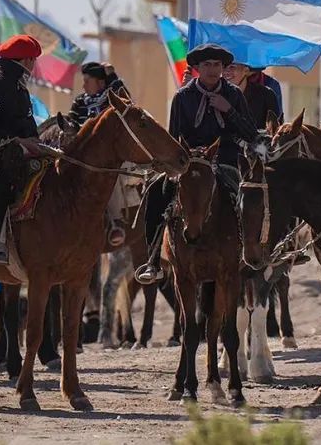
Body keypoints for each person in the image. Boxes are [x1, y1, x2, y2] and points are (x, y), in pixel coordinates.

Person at [135, 43, 258, 284]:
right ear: (197, 69)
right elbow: (174, 136)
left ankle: (249, 251)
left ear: (223, 68)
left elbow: (251, 136)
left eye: (217, 65)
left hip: (225, 162)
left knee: (246, 197)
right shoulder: (182, 98)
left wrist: (229, 110)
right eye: (207, 65)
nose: (213, 69)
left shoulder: (233, 95)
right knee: (155, 193)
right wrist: (187, 157)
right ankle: (153, 259)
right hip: (188, 164)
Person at [0, 34, 45, 264]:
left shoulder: (19, 87)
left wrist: (39, 143)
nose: (34, 65)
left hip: (22, 148)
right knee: (1, 180)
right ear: (25, 61)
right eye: (33, 60)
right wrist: (19, 142)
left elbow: (28, 123)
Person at [67, 61, 131, 246]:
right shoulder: (80, 101)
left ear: (101, 83)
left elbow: (127, 102)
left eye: (88, 80)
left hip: (108, 155)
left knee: (111, 176)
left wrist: (112, 76)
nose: (83, 85)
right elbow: (72, 123)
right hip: (82, 155)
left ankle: (115, 222)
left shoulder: (112, 100)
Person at [223, 61, 280, 129]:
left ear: (246, 70)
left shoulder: (266, 95)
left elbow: (275, 129)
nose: (226, 71)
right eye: (223, 67)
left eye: (232, 67)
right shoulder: (216, 94)